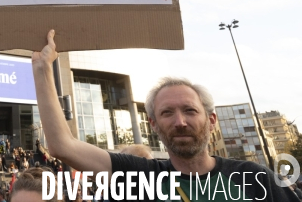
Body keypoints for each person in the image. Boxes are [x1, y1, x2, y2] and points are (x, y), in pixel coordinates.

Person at [32, 29, 299, 201]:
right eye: (167, 113)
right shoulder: (141, 178)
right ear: (154, 125)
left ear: (211, 120)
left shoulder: (254, 178)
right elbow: (62, 146)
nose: (180, 122)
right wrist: (43, 70)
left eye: (190, 111)